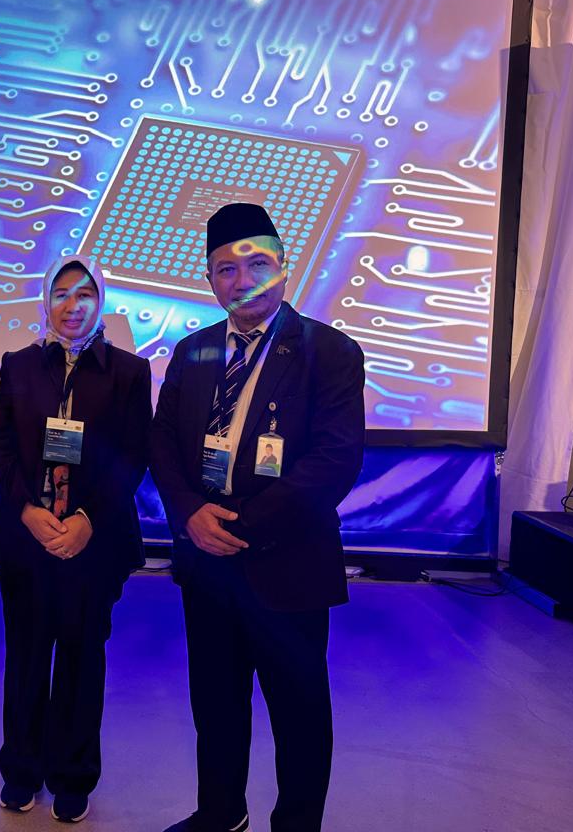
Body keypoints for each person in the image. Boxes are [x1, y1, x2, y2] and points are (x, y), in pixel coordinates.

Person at [149, 203, 365, 832]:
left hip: (287, 564)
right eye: (225, 269)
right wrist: (190, 513)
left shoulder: (329, 351)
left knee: (299, 710)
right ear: (209, 278)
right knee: (216, 701)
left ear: (284, 267)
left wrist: (238, 528)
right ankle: (220, 813)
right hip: (206, 564)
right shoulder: (193, 351)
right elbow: (163, 443)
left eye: (257, 264)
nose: (242, 281)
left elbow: (334, 460)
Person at [0, 255, 152, 824]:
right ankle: (20, 770)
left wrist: (86, 518)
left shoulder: (129, 372)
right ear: (46, 301)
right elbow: (0, 444)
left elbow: (132, 456)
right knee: (26, 655)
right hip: (26, 537)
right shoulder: (19, 365)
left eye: (85, 294)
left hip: (93, 541)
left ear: (100, 302)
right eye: (61, 293)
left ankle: (74, 776)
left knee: (82, 658)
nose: (72, 305)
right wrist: (28, 510)